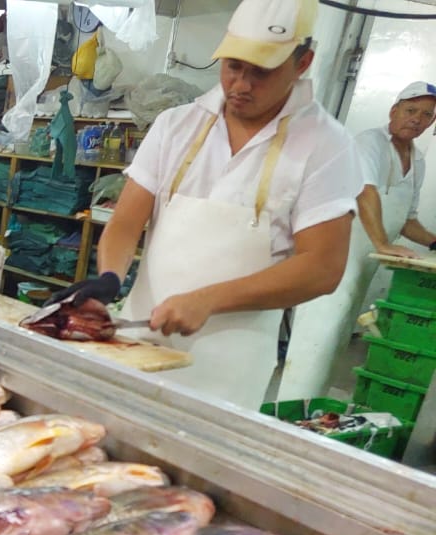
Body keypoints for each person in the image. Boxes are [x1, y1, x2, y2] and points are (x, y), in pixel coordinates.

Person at [57, 0, 363, 410]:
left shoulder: (326, 145)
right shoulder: (176, 124)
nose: (241, 84)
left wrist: (209, 299)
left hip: (230, 365)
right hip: (138, 340)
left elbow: (322, 268)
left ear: (303, 62)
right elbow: (127, 221)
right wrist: (110, 277)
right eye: (233, 65)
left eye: (262, 71)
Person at [278, 81, 436, 400]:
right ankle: (287, 414)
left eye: (427, 114)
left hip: (362, 269)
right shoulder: (370, 143)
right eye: (411, 110)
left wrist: (434, 242)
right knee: (316, 341)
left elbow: (406, 219)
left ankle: (310, 416)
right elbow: (366, 192)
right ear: (394, 110)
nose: (417, 119)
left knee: (337, 341)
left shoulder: (416, 160)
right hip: (337, 259)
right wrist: (382, 244)